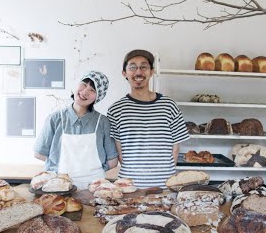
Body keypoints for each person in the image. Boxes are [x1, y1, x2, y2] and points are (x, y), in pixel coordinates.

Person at [107, 49, 190, 188]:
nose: (138, 72)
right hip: (130, 187)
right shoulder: (116, 110)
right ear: (124, 73)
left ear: (151, 72)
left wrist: (167, 179)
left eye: (144, 67)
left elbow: (175, 148)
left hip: (164, 187)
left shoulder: (169, 105)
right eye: (132, 67)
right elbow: (119, 151)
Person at [33, 71, 118, 190]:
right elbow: (39, 153)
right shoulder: (55, 118)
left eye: (93, 90)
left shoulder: (102, 121)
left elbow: (113, 161)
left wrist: (94, 173)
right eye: (84, 84)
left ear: (98, 97)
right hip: (59, 187)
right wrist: (59, 170)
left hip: (95, 188)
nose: (85, 92)